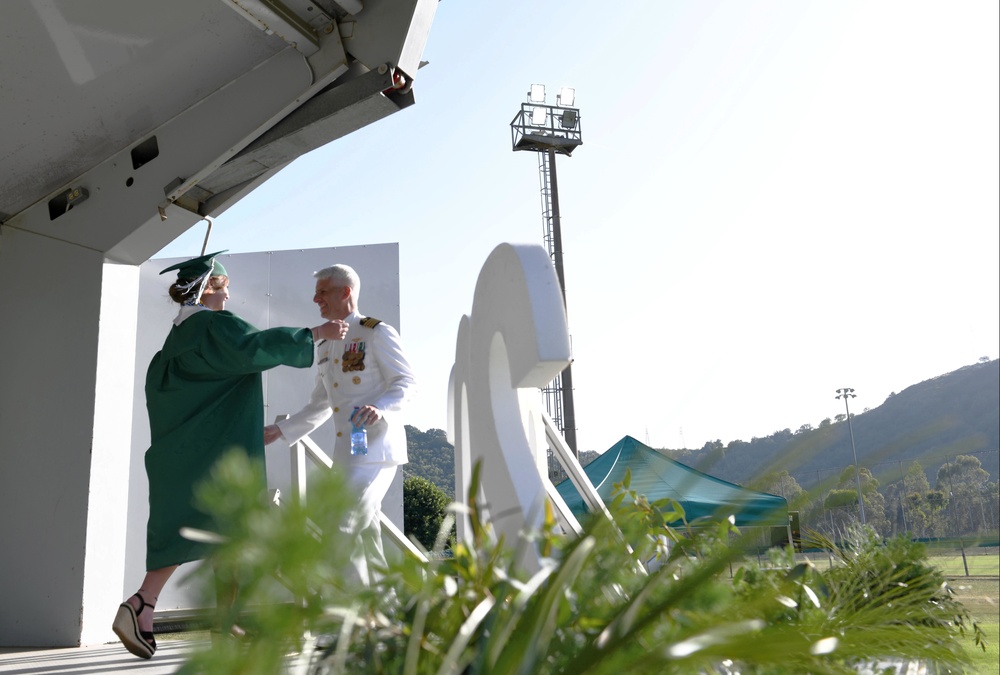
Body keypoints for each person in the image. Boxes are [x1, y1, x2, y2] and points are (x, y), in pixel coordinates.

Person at [113, 251, 349, 660]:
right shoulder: (213, 327)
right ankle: (142, 604)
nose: (228, 297)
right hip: (214, 454)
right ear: (209, 289)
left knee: (220, 535)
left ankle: (213, 621)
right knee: (223, 526)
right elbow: (253, 346)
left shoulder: (176, 339)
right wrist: (315, 333)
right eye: (224, 289)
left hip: (182, 451)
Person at [264, 264, 416, 586]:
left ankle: (355, 621)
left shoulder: (375, 332)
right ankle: (384, 619)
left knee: (341, 525)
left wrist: (381, 408)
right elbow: (321, 403)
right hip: (346, 453)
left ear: (344, 292)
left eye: (322, 292)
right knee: (366, 536)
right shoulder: (327, 344)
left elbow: (406, 382)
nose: (315, 299)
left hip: (375, 449)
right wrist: (282, 430)